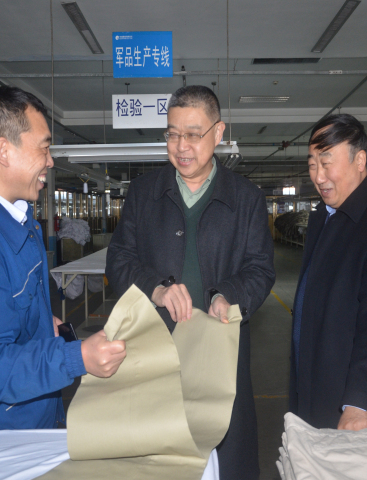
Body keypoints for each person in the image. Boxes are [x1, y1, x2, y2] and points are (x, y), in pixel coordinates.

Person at [0, 86, 126, 431]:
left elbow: (11, 302)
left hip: (30, 411)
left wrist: (42, 322)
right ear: (4, 150)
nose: (50, 160)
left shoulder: (15, 218)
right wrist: (77, 357)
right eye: (44, 147)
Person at [106, 85, 275, 479]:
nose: (181, 146)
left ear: (219, 133)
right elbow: (120, 258)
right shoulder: (144, 193)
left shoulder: (246, 199)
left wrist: (227, 294)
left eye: (193, 134)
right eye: (172, 134)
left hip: (220, 358)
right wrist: (156, 288)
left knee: (225, 457)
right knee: (159, 460)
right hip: (155, 354)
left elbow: (260, 268)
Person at [290, 113, 367, 433]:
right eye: (312, 165)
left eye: (326, 162)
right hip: (315, 381)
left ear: (360, 160)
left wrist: (360, 403)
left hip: (349, 402)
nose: (318, 176)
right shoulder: (325, 214)